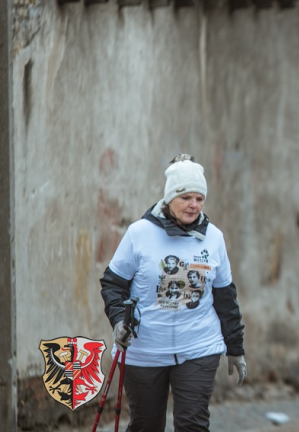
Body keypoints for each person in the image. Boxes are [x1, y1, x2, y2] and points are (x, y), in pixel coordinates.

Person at [100, 154, 247, 432]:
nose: (194, 205)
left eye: (199, 199)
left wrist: (236, 348)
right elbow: (113, 284)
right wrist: (120, 321)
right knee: (146, 425)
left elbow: (226, 297)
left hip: (198, 348)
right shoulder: (139, 234)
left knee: (192, 424)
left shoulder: (214, 237)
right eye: (186, 197)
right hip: (144, 351)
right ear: (169, 199)